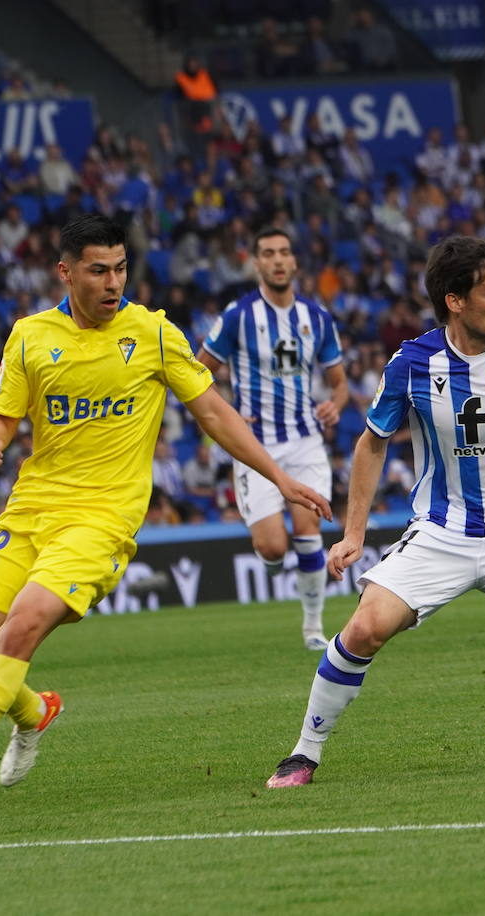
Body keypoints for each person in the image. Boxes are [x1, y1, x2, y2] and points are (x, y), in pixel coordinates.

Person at [0, 214, 331, 812]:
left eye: (120, 268)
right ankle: (36, 713)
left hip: (103, 518)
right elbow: (3, 417)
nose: (113, 281)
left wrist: (280, 477)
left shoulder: (153, 333)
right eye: (99, 270)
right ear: (66, 272)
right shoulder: (30, 335)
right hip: (32, 509)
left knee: (21, 628)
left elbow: (215, 413)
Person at [265, 236, 485, 788]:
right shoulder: (412, 363)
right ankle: (304, 753)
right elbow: (373, 443)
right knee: (364, 629)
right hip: (440, 533)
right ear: (455, 301)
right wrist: (353, 534)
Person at [197, 229, 347, 650]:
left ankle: (313, 627)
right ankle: (275, 560)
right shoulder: (238, 316)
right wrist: (226, 409)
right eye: (268, 254)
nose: (278, 260)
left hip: (305, 440)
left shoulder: (317, 318)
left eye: (284, 252)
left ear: (294, 262)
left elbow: (338, 383)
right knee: (272, 548)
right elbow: (195, 372)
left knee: (308, 529)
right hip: (254, 444)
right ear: (257, 264)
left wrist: (334, 403)